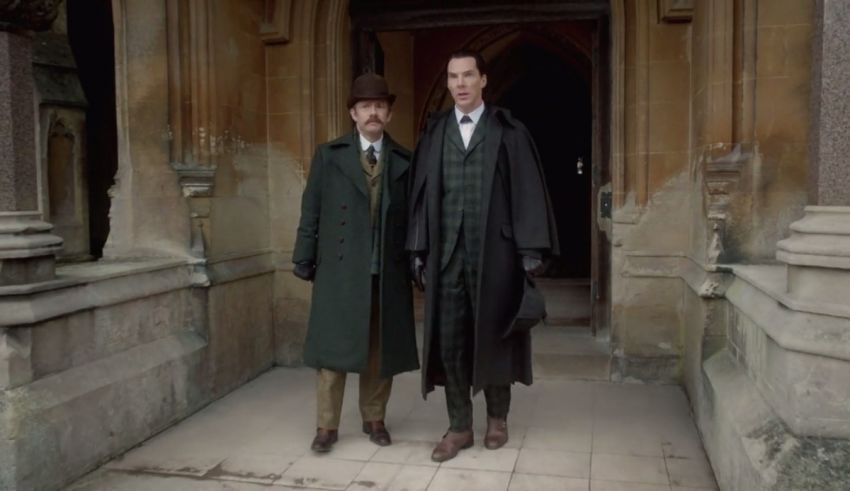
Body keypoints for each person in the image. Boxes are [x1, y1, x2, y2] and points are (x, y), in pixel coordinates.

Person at [407, 50, 559, 462]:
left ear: (483, 80)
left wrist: (529, 250)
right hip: (447, 257)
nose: (460, 84)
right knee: (452, 341)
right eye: (453, 76)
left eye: (468, 75)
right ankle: (458, 426)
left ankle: (497, 418)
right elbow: (420, 197)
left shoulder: (507, 131)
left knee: (495, 335)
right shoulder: (436, 134)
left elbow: (527, 189)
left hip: (497, 254)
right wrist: (418, 250)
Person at [292, 72, 419, 453]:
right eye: (366, 106)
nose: (373, 113)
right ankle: (326, 426)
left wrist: (415, 261)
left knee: (381, 350)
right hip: (340, 270)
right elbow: (311, 208)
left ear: (389, 113)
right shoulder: (328, 156)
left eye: (380, 106)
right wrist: (303, 255)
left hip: (387, 269)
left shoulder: (404, 160)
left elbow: (414, 219)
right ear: (353, 113)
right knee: (333, 350)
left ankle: (374, 418)